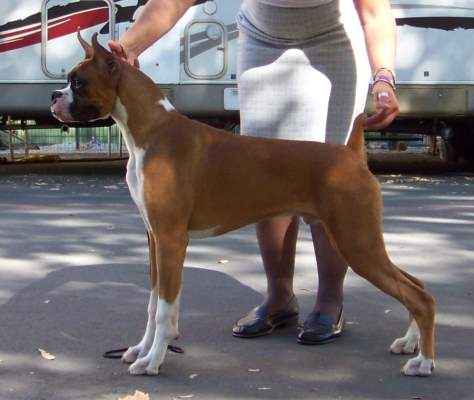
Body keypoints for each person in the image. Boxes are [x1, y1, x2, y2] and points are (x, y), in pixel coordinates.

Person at [109, 0, 399, 345]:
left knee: (328, 176)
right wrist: (127, 46)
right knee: (261, 177)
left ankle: (329, 300)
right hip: (263, 40)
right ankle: (279, 297)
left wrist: (383, 76)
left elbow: (375, 13)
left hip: (333, 41)